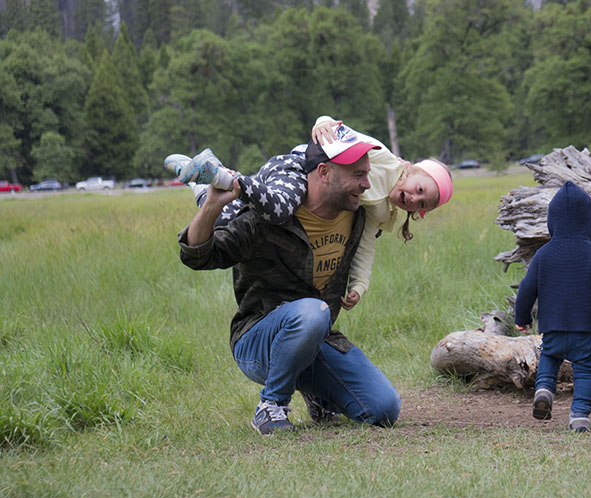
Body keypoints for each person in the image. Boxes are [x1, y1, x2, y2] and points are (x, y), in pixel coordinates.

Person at [178, 128, 401, 435]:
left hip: (317, 336)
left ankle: (318, 393)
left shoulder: (358, 215)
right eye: (358, 175)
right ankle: (271, 407)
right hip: (258, 338)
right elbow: (200, 256)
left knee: (384, 409)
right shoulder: (270, 215)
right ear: (323, 172)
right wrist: (212, 206)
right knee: (312, 312)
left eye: (367, 174)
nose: (366, 183)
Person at [166, 116, 453, 310]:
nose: (414, 198)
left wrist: (360, 285)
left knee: (226, 218)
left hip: (305, 179)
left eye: (422, 203)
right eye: (419, 188)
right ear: (413, 169)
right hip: (301, 164)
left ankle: (202, 183)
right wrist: (323, 122)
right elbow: (342, 131)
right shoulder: (384, 158)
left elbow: (365, 247)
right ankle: (228, 178)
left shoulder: (380, 214)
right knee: (281, 207)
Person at [514, 181, 591, 433]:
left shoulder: (543, 253)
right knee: (586, 371)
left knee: (550, 358)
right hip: (587, 331)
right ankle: (579, 416)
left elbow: (527, 287)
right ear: (589, 222)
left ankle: (544, 389)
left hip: (554, 327)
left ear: (551, 221)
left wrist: (522, 317)